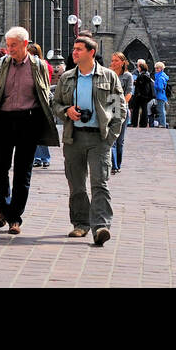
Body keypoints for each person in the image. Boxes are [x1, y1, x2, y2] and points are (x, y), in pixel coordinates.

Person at [0, 26, 58, 234]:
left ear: (25, 45)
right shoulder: (1, 65)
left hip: (28, 120)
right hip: (3, 119)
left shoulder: (38, 66)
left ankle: (14, 218)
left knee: (23, 172)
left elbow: (44, 92)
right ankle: (5, 207)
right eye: (8, 45)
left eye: (13, 45)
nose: (9, 49)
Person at [53, 36, 126, 245]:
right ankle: (80, 224)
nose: (74, 53)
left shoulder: (109, 77)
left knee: (99, 183)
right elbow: (55, 104)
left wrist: (111, 136)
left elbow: (118, 108)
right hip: (73, 137)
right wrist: (67, 111)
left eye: (79, 49)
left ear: (91, 52)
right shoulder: (67, 78)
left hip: (99, 138)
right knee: (76, 185)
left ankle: (101, 227)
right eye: (74, 49)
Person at [31, 43, 55, 169]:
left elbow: (46, 82)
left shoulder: (43, 65)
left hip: (40, 101)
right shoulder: (44, 65)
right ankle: (40, 158)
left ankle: (42, 158)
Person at [109, 51, 134, 172]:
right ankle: (113, 165)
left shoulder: (127, 76)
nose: (113, 63)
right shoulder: (108, 74)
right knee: (111, 138)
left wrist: (122, 104)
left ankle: (117, 163)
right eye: (112, 60)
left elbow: (129, 92)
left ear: (123, 62)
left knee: (120, 140)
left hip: (121, 109)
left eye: (116, 61)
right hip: (109, 108)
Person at [130, 59, 154, 127]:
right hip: (145, 95)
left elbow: (137, 84)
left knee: (135, 109)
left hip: (138, 95)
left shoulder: (141, 75)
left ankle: (134, 123)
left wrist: (135, 82)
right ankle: (143, 123)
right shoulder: (147, 75)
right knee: (144, 109)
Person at [152, 61, 170, 128]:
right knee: (161, 110)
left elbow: (160, 87)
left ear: (161, 69)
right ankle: (162, 123)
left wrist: (154, 85)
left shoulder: (160, 78)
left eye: (157, 68)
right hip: (161, 95)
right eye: (155, 68)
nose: (156, 70)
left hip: (160, 96)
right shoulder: (161, 76)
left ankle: (162, 124)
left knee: (161, 110)